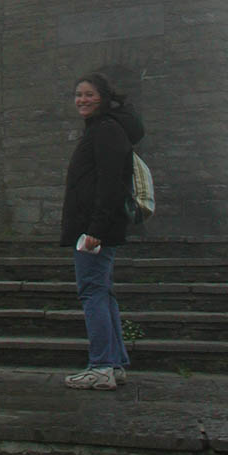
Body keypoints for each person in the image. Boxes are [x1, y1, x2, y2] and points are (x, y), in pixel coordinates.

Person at [60, 71, 144, 390]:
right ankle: (115, 363)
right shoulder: (104, 128)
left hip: (94, 229)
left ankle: (101, 366)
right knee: (102, 292)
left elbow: (110, 183)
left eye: (89, 94)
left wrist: (95, 228)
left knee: (92, 292)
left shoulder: (106, 130)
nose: (82, 100)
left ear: (103, 98)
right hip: (97, 226)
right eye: (78, 94)